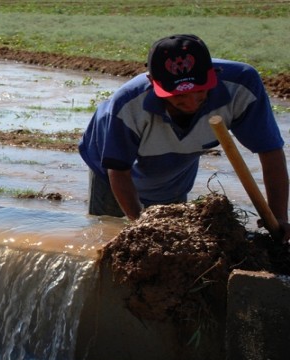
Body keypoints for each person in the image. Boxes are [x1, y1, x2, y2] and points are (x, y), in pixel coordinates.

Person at [78, 34, 290, 241]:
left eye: (199, 92)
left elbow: (270, 151)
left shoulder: (242, 86)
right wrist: (141, 227)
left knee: (174, 237)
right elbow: (119, 171)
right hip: (111, 169)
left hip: (177, 164)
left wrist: (278, 215)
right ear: (153, 83)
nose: (191, 103)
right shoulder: (127, 105)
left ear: (213, 75)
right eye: (179, 96)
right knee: (107, 234)